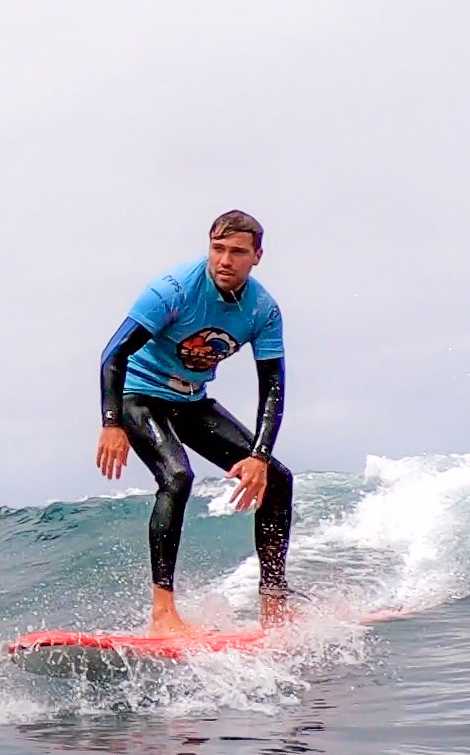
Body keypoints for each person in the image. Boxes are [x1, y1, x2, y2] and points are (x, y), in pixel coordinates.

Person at [95, 210, 295, 635]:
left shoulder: (263, 310)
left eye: (237, 252)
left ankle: (274, 603)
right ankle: (163, 612)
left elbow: (273, 388)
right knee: (177, 476)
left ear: (257, 256)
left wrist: (259, 456)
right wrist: (112, 422)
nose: (225, 260)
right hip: (139, 396)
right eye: (218, 249)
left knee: (277, 478)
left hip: (190, 400)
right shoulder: (173, 291)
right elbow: (113, 355)